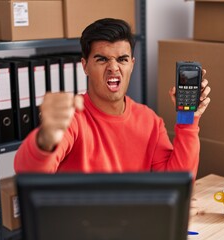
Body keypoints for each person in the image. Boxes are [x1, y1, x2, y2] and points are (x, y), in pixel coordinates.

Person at [14, 18, 211, 178]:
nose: (113, 68)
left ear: (132, 65)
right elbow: (28, 173)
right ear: (84, 66)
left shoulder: (149, 120)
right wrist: (44, 140)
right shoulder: (71, 118)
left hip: (130, 223)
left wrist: (188, 119)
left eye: (122, 59)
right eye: (102, 59)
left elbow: (176, 182)